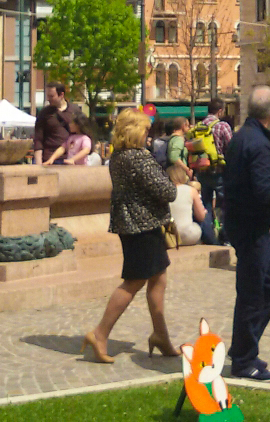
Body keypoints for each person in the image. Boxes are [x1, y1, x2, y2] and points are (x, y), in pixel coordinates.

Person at [82, 108, 179, 363]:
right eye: (146, 130)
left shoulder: (118, 157)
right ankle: (100, 333)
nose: (149, 135)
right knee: (134, 281)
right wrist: (170, 179)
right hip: (143, 226)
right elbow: (168, 192)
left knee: (158, 279)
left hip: (132, 224)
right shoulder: (139, 158)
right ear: (136, 130)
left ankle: (161, 335)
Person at [221, 85, 270, 381]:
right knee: (254, 293)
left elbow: (246, 184)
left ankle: (245, 348)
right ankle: (243, 359)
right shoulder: (257, 143)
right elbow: (265, 192)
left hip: (252, 226)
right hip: (251, 229)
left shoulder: (244, 138)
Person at [192, 99, 233, 238]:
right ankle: (225, 236)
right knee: (225, 205)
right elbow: (231, 147)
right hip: (220, 172)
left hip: (202, 171)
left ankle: (208, 236)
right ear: (220, 111)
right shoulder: (222, 126)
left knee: (205, 204)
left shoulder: (198, 126)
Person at [168, 163, 219, 247]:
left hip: (171, 237)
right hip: (189, 236)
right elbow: (201, 217)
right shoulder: (191, 190)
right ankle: (213, 242)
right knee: (203, 214)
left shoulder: (163, 193)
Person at [34, 82, 78, 166]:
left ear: (61, 95)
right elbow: (38, 139)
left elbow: (84, 132)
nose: (48, 99)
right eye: (48, 96)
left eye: (51, 96)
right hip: (49, 159)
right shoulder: (44, 113)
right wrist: (39, 163)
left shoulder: (75, 110)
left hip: (70, 158)